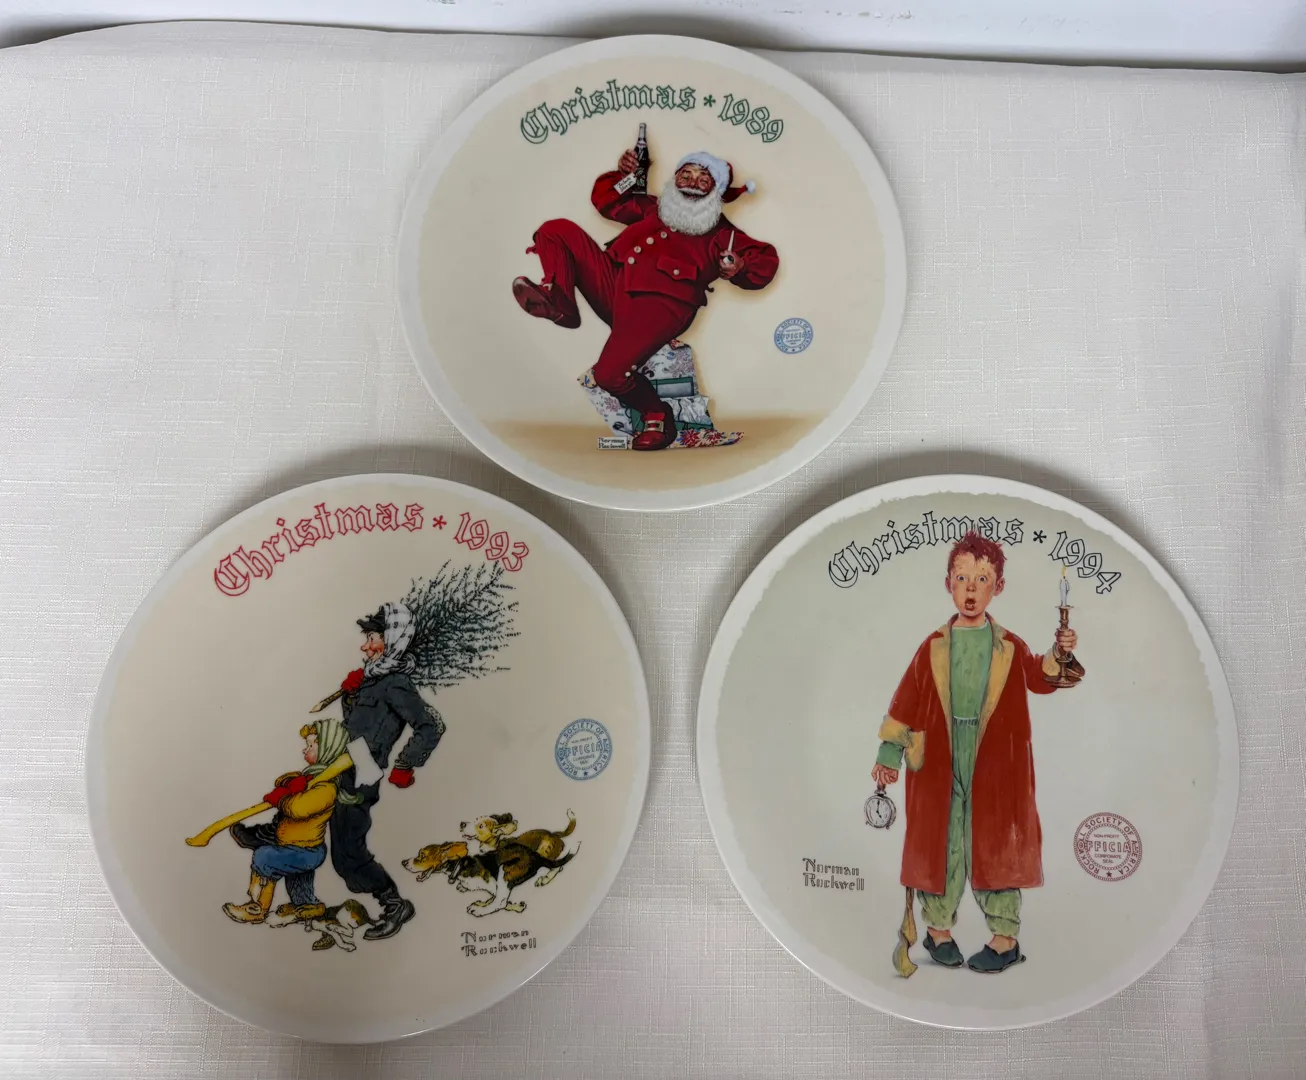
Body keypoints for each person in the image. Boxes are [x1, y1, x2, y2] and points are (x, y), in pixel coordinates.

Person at [871, 532, 1083, 974]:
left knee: (996, 843)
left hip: (995, 761)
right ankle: (938, 932)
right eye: (963, 578)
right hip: (940, 760)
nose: (971, 589)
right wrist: (889, 755)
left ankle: (1004, 939)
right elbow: (906, 701)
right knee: (944, 842)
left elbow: (1039, 677)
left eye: (982, 579)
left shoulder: (1009, 645)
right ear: (948, 583)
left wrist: (1059, 653)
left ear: (997, 587)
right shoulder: (932, 646)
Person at [512, 147, 779, 450]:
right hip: (615, 285)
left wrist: (741, 266)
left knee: (609, 375)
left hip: (660, 308)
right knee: (555, 230)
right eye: (686, 175)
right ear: (675, 179)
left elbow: (764, 260)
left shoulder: (720, 233)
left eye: (703, 179)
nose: (692, 183)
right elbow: (608, 202)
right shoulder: (655, 208)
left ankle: (657, 416)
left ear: (715, 190)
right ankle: (560, 303)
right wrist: (626, 176)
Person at [330, 602, 445, 941]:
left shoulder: (395, 683)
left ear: (392, 640)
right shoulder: (371, 679)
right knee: (336, 847)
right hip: (341, 764)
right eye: (366, 639)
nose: (365, 647)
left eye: (372, 639)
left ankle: (394, 905)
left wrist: (405, 764)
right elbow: (357, 726)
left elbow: (431, 725)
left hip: (362, 771)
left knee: (349, 853)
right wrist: (350, 695)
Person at [223, 719, 350, 925]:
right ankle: (306, 906)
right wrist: (289, 783)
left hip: (306, 850)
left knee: (266, 857)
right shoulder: (310, 778)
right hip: (296, 846)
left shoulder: (327, 788)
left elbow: (299, 809)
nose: (305, 749)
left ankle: (257, 907)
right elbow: (282, 781)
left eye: (311, 745)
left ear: (328, 749)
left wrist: (281, 799)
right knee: (298, 881)